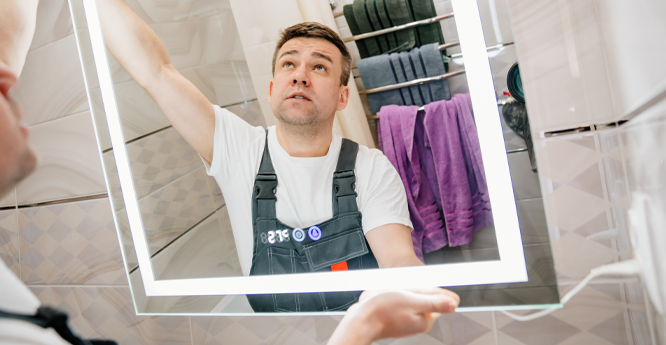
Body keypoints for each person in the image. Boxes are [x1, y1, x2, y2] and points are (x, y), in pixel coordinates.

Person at [99, 0, 424, 312]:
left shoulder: (370, 169)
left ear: (342, 97)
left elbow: (398, 259)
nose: (300, 75)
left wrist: (408, 289)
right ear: (271, 90)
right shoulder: (238, 150)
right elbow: (156, 71)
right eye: (288, 63)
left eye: (320, 66)